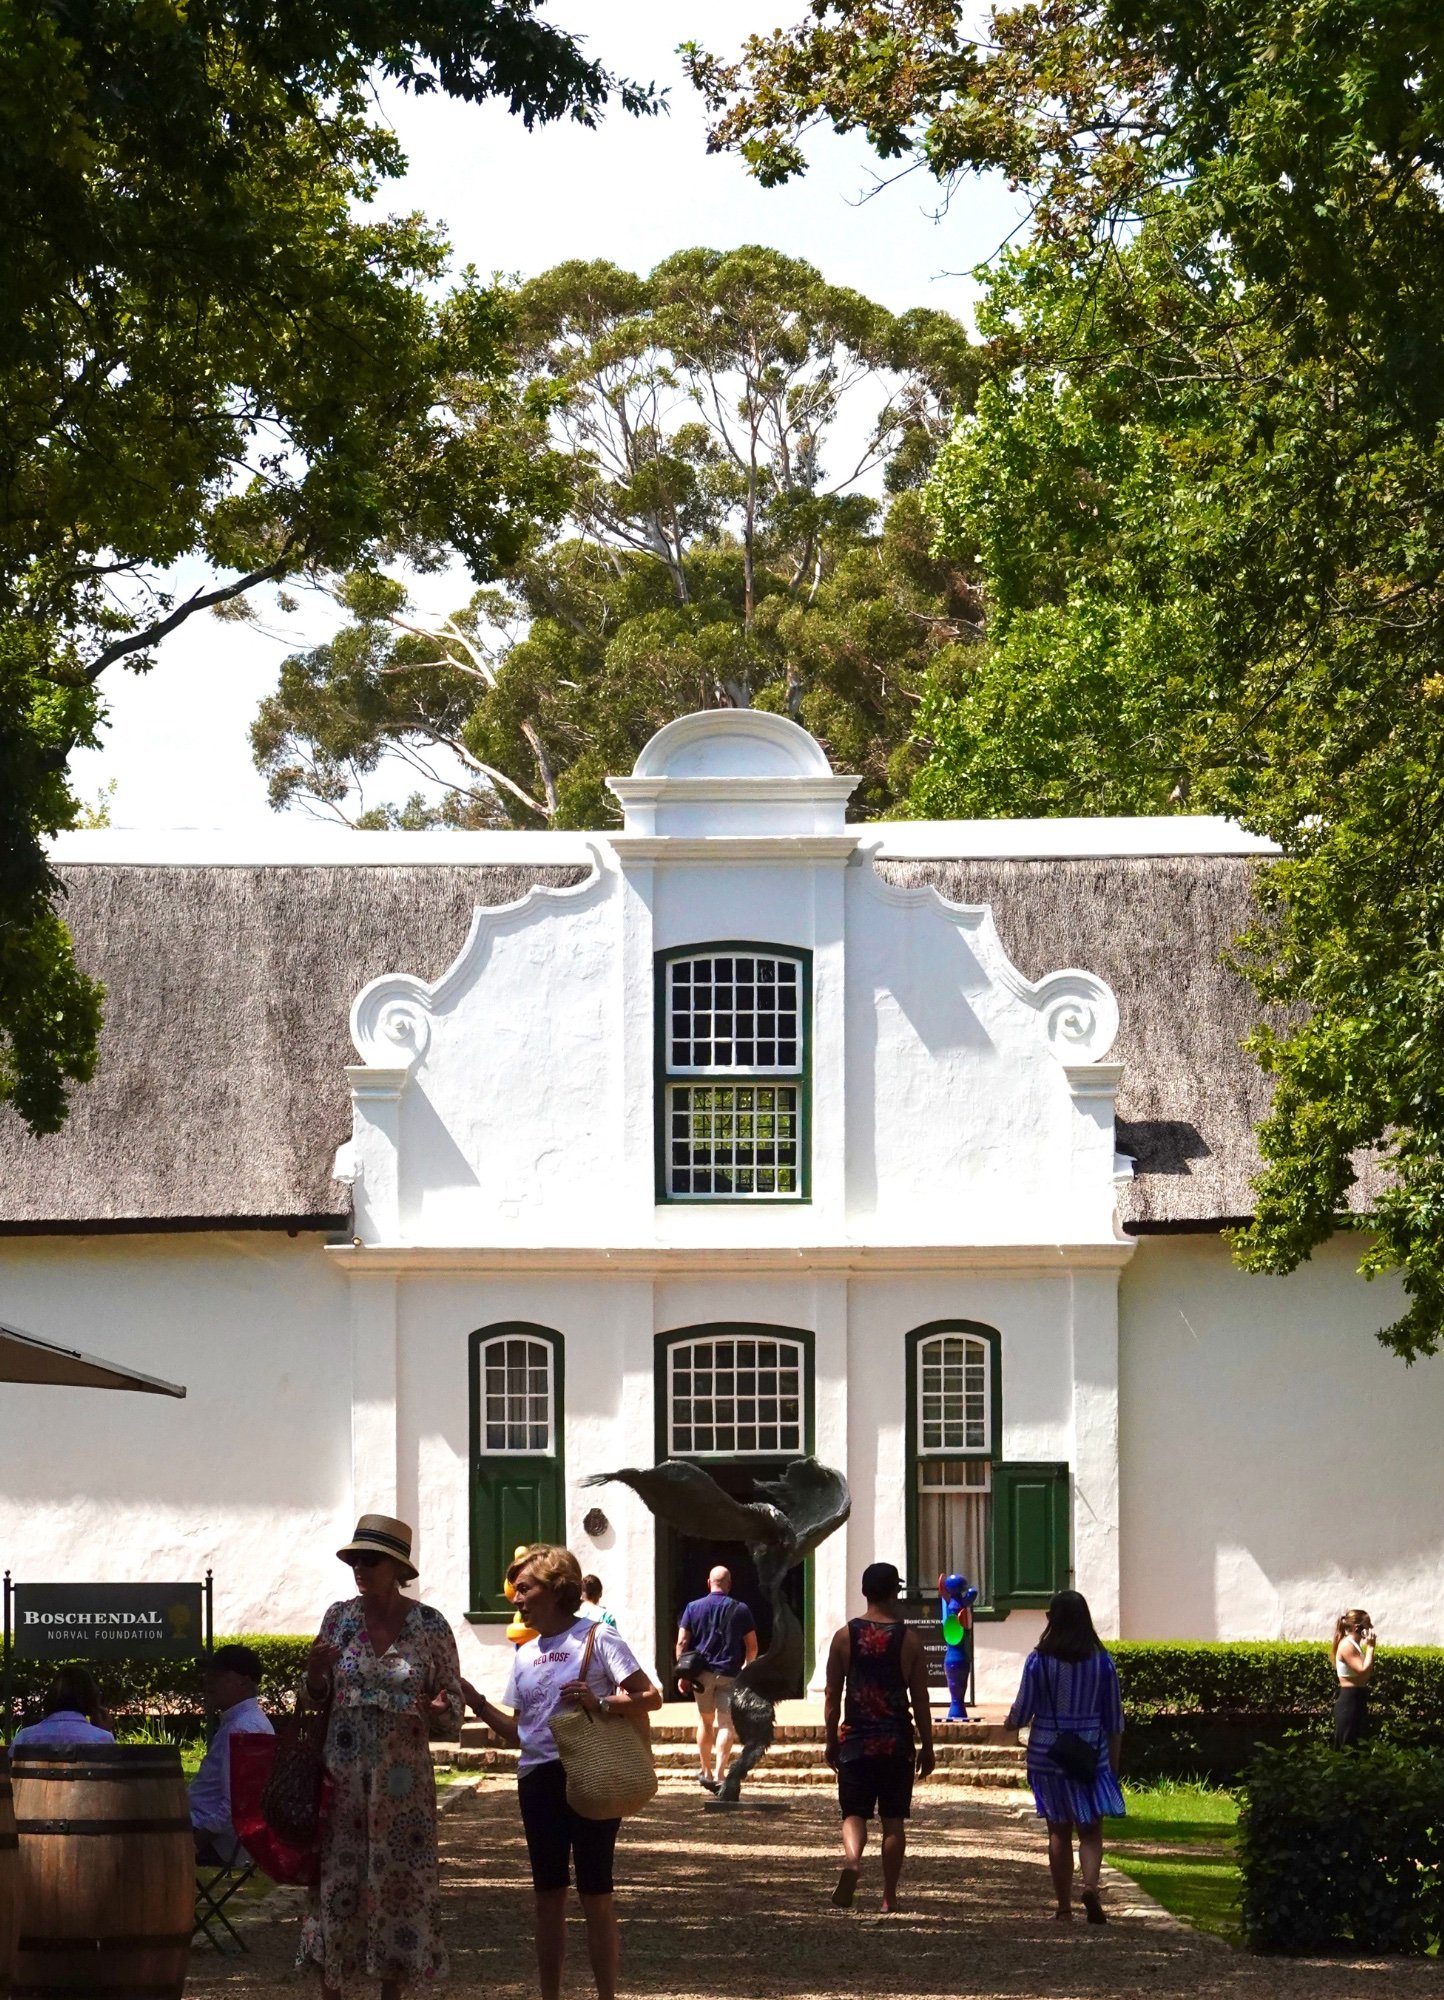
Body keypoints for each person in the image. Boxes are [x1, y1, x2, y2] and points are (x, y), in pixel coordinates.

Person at [461, 1543, 661, 2000]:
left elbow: (650, 1697)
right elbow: (520, 1732)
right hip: (537, 1777)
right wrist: (474, 1701)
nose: (516, 1598)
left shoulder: (597, 1637)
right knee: (547, 1897)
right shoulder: (525, 1654)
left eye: (524, 1588)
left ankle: (606, 1995)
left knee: (596, 1893)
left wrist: (603, 1702)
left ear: (556, 1590)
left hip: (589, 1770)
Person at [298, 1513, 462, 2000]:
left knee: (400, 1886)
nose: (359, 1568)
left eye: (369, 1559)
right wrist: (315, 1674)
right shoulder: (339, 1617)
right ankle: (334, 1990)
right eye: (353, 1559)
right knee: (337, 1883)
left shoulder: (430, 1626)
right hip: (342, 1778)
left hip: (402, 1786)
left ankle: (392, 1990)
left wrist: (437, 1708)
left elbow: (451, 1712)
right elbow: (312, 1700)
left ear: (397, 1567)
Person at [1006, 1589, 1125, 1925]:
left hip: (1047, 1753)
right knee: (1090, 1829)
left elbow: (1022, 1709)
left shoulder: (1038, 1661)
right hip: (1089, 1753)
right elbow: (1114, 1719)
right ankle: (1089, 1886)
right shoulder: (1103, 1662)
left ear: (1051, 1620)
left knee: (1058, 1831)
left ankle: (1063, 1908)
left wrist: (1010, 1724)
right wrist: (1112, 1766)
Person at [823, 1561, 934, 1913]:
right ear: (893, 1593)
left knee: (853, 1812)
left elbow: (831, 1694)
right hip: (895, 1740)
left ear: (865, 1592)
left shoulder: (844, 1637)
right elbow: (920, 1698)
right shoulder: (910, 1640)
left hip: (856, 1738)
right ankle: (889, 1895)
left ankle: (853, 1861)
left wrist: (831, 1739)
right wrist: (928, 1745)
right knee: (893, 1821)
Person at [675, 1565, 757, 1793]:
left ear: (708, 1583)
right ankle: (721, 1774)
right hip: (730, 1674)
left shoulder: (693, 1608)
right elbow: (752, 1646)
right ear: (729, 1584)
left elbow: (682, 1642)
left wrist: (682, 1673)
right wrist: (746, 1669)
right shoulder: (741, 1609)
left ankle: (706, 1771)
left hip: (701, 1675)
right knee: (726, 1723)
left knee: (705, 1721)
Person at [190, 1642, 275, 1863]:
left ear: (244, 1682)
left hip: (213, 1839)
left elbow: (233, 1807)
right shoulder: (249, 1722)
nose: (208, 1681)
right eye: (209, 1674)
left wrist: (195, 1843)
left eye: (218, 1675)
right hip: (225, 1838)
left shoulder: (241, 1729)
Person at [11, 1665, 114, 1747]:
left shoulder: (24, 1738)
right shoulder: (102, 1739)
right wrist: (104, 1731)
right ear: (90, 1697)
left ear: (51, 1695)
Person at [1332, 1608, 1376, 1747]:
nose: (1371, 1627)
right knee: (1348, 1748)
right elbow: (1363, 1670)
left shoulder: (1355, 1646)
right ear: (1358, 1628)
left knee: (1360, 1749)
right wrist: (1370, 1648)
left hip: (1358, 1699)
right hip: (1349, 1702)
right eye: (1368, 1624)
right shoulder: (1347, 1645)